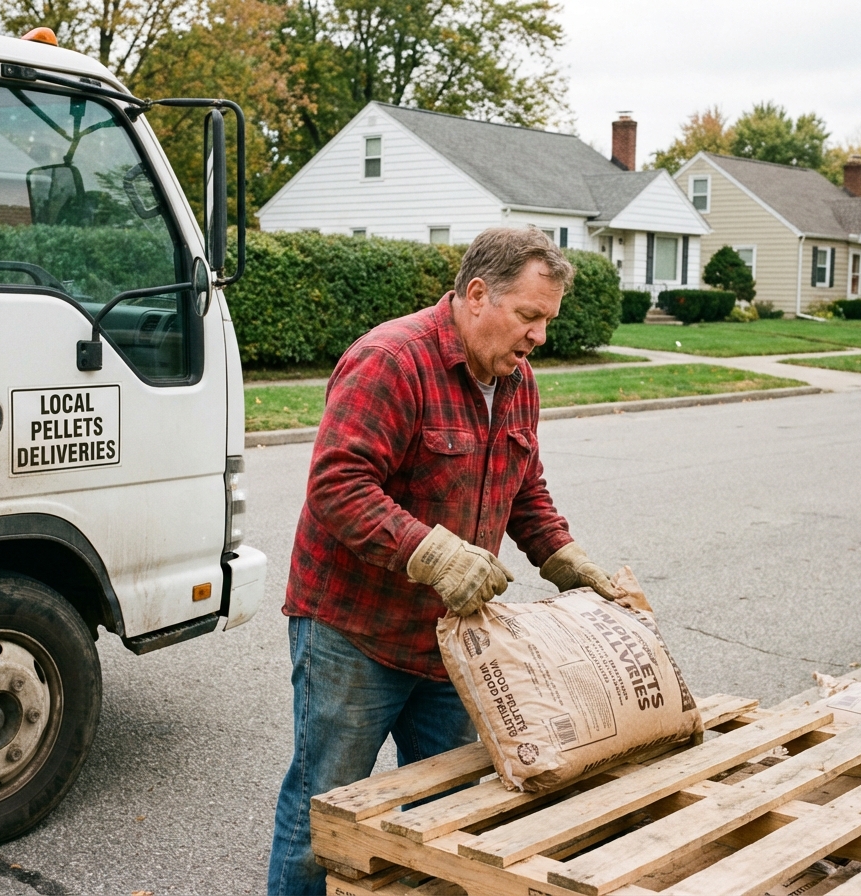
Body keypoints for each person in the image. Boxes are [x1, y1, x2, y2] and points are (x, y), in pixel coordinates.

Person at [267, 227, 636, 895]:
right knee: (327, 806)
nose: (539, 338)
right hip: (354, 635)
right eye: (529, 316)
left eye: (546, 321)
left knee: (450, 811)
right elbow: (337, 485)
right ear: (475, 295)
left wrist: (567, 559)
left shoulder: (516, 379)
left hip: (450, 641)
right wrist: (432, 552)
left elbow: (525, 489)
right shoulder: (392, 360)